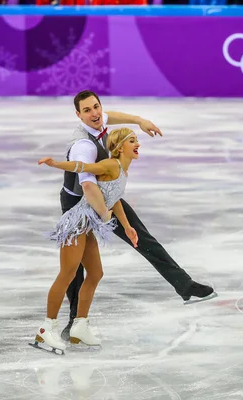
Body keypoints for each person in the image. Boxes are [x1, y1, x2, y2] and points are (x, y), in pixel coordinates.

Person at [60, 90, 217, 341]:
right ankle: (73, 321)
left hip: (106, 195)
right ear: (78, 115)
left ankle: (184, 286)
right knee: (76, 264)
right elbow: (87, 185)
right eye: (87, 110)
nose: (95, 113)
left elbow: (112, 116)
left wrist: (139, 120)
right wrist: (104, 214)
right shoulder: (83, 145)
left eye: (96, 107)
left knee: (142, 237)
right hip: (79, 203)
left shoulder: (99, 121)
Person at [32, 128, 140, 355]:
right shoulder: (111, 165)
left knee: (95, 273)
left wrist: (128, 226)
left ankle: (79, 326)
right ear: (120, 147)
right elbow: (82, 168)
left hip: (89, 226)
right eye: (132, 140)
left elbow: (115, 199)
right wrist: (56, 164)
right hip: (77, 223)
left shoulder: (123, 171)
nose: (137, 144)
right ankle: (46, 328)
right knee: (68, 273)